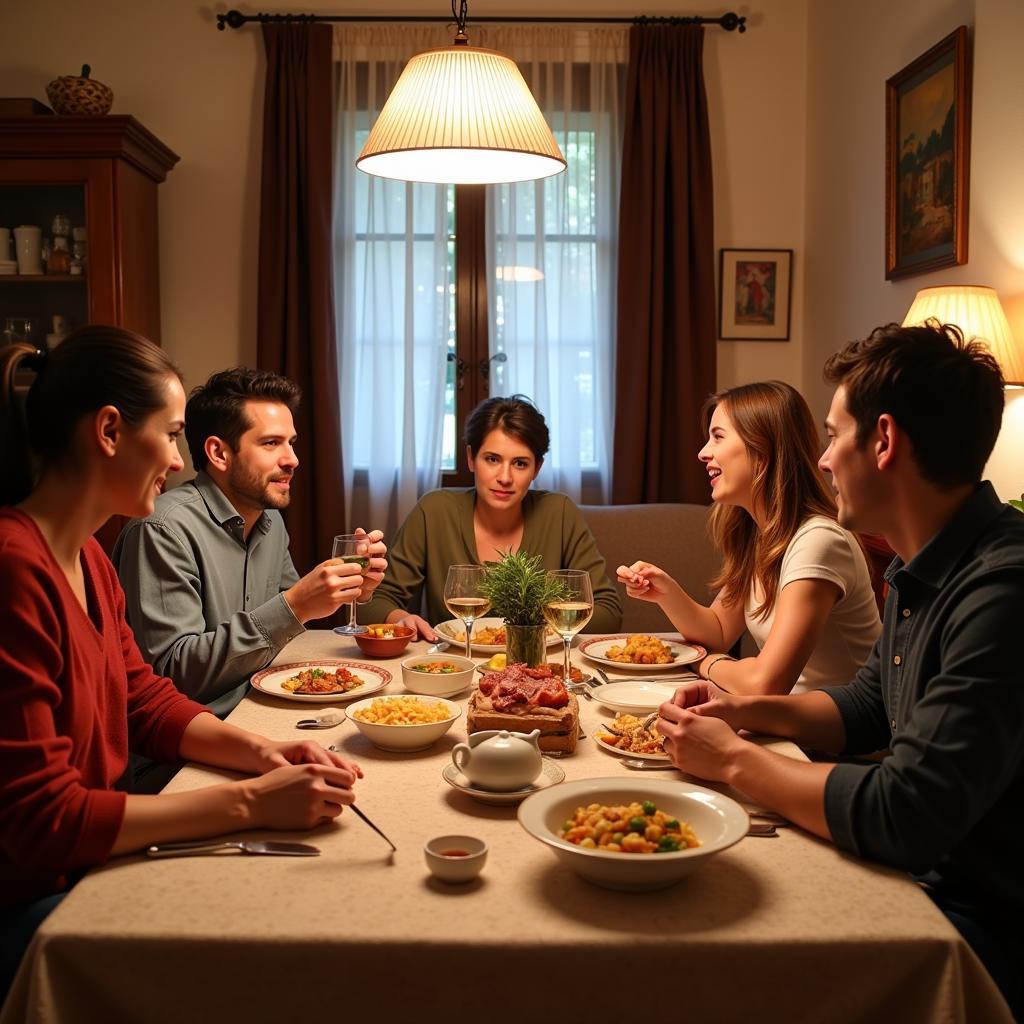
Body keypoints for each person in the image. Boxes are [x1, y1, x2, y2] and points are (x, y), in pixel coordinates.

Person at [656, 322, 1023, 1017]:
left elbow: (906, 813)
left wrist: (733, 761)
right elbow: (863, 707)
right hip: (915, 871)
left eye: (833, 435)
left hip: (972, 920)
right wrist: (742, 711)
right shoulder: (922, 568)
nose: (821, 460)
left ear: (882, 441)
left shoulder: (1002, 593)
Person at [0, 328, 363, 1001]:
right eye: (170, 436)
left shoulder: (88, 561)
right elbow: (43, 823)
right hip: (40, 903)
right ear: (109, 430)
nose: (176, 462)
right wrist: (250, 802)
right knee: (267, 967)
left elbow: (146, 701)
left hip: (95, 857)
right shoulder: (15, 570)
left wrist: (266, 754)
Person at [112, 367, 387, 721]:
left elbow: (291, 624)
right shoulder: (161, 530)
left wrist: (350, 590)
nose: (292, 459)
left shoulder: (270, 524)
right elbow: (173, 675)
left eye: (291, 442)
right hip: (186, 745)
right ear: (219, 453)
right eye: (271, 443)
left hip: (259, 712)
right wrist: (295, 605)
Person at [618, 381, 880, 694]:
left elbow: (764, 684)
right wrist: (666, 592)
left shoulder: (819, 540)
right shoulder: (764, 535)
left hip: (834, 738)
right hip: (786, 725)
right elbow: (718, 632)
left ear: (762, 449)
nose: (703, 453)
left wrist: (704, 663)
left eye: (717, 437)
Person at [360, 395, 622, 638]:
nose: (505, 478)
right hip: (456, 667)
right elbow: (372, 600)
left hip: (540, 668)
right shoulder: (435, 511)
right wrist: (400, 618)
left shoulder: (559, 512)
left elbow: (608, 613)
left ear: (536, 468)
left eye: (520, 463)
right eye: (492, 459)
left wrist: (533, 629)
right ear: (471, 458)